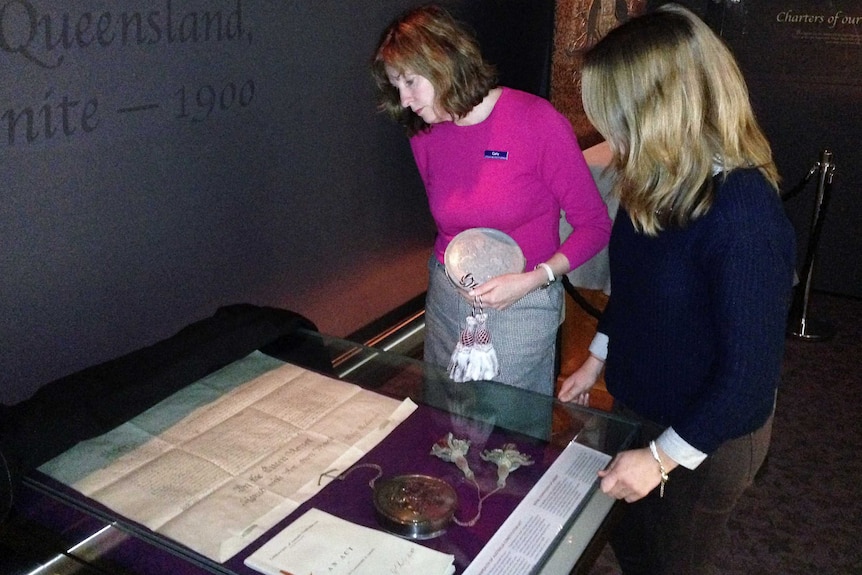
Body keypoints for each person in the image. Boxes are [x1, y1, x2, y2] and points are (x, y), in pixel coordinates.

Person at [558, 4, 797, 574]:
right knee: (634, 544)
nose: (608, 131)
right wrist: (596, 359)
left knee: (672, 561)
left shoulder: (743, 214)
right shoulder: (656, 179)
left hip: (705, 438)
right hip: (644, 406)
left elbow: (748, 382)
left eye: (615, 115)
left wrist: (662, 459)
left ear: (660, 109)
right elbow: (638, 293)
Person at [371, 4, 612, 396]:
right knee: (447, 415)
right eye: (396, 86)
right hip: (449, 297)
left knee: (508, 432)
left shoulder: (537, 121)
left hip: (523, 300)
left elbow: (595, 225)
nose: (405, 100)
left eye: (411, 82)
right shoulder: (424, 133)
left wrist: (538, 277)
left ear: (445, 62)